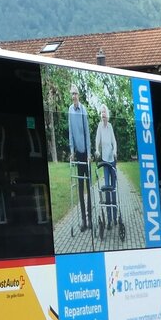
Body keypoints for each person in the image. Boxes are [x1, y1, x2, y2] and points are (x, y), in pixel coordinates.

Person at [67, 86, 92, 230]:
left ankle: (90, 219)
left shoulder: (83, 110)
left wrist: (89, 154)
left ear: (79, 95)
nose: (73, 96)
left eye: (75, 93)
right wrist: (71, 151)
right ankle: (83, 220)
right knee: (80, 187)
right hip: (77, 153)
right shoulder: (70, 110)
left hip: (85, 154)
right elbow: (71, 132)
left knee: (88, 187)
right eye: (72, 94)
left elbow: (87, 133)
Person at [94, 106, 119, 227]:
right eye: (101, 112)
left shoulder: (110, 126)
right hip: (104, 161)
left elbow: (114, 141)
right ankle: (109, 219)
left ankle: (115, 217)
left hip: (112, 161)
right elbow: (97, 140)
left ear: (107, 114)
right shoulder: (99, 126)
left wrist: (115, 151)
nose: (103, 113)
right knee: (107, 189)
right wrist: (97, 150)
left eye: (104, 112)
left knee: (113, 189)